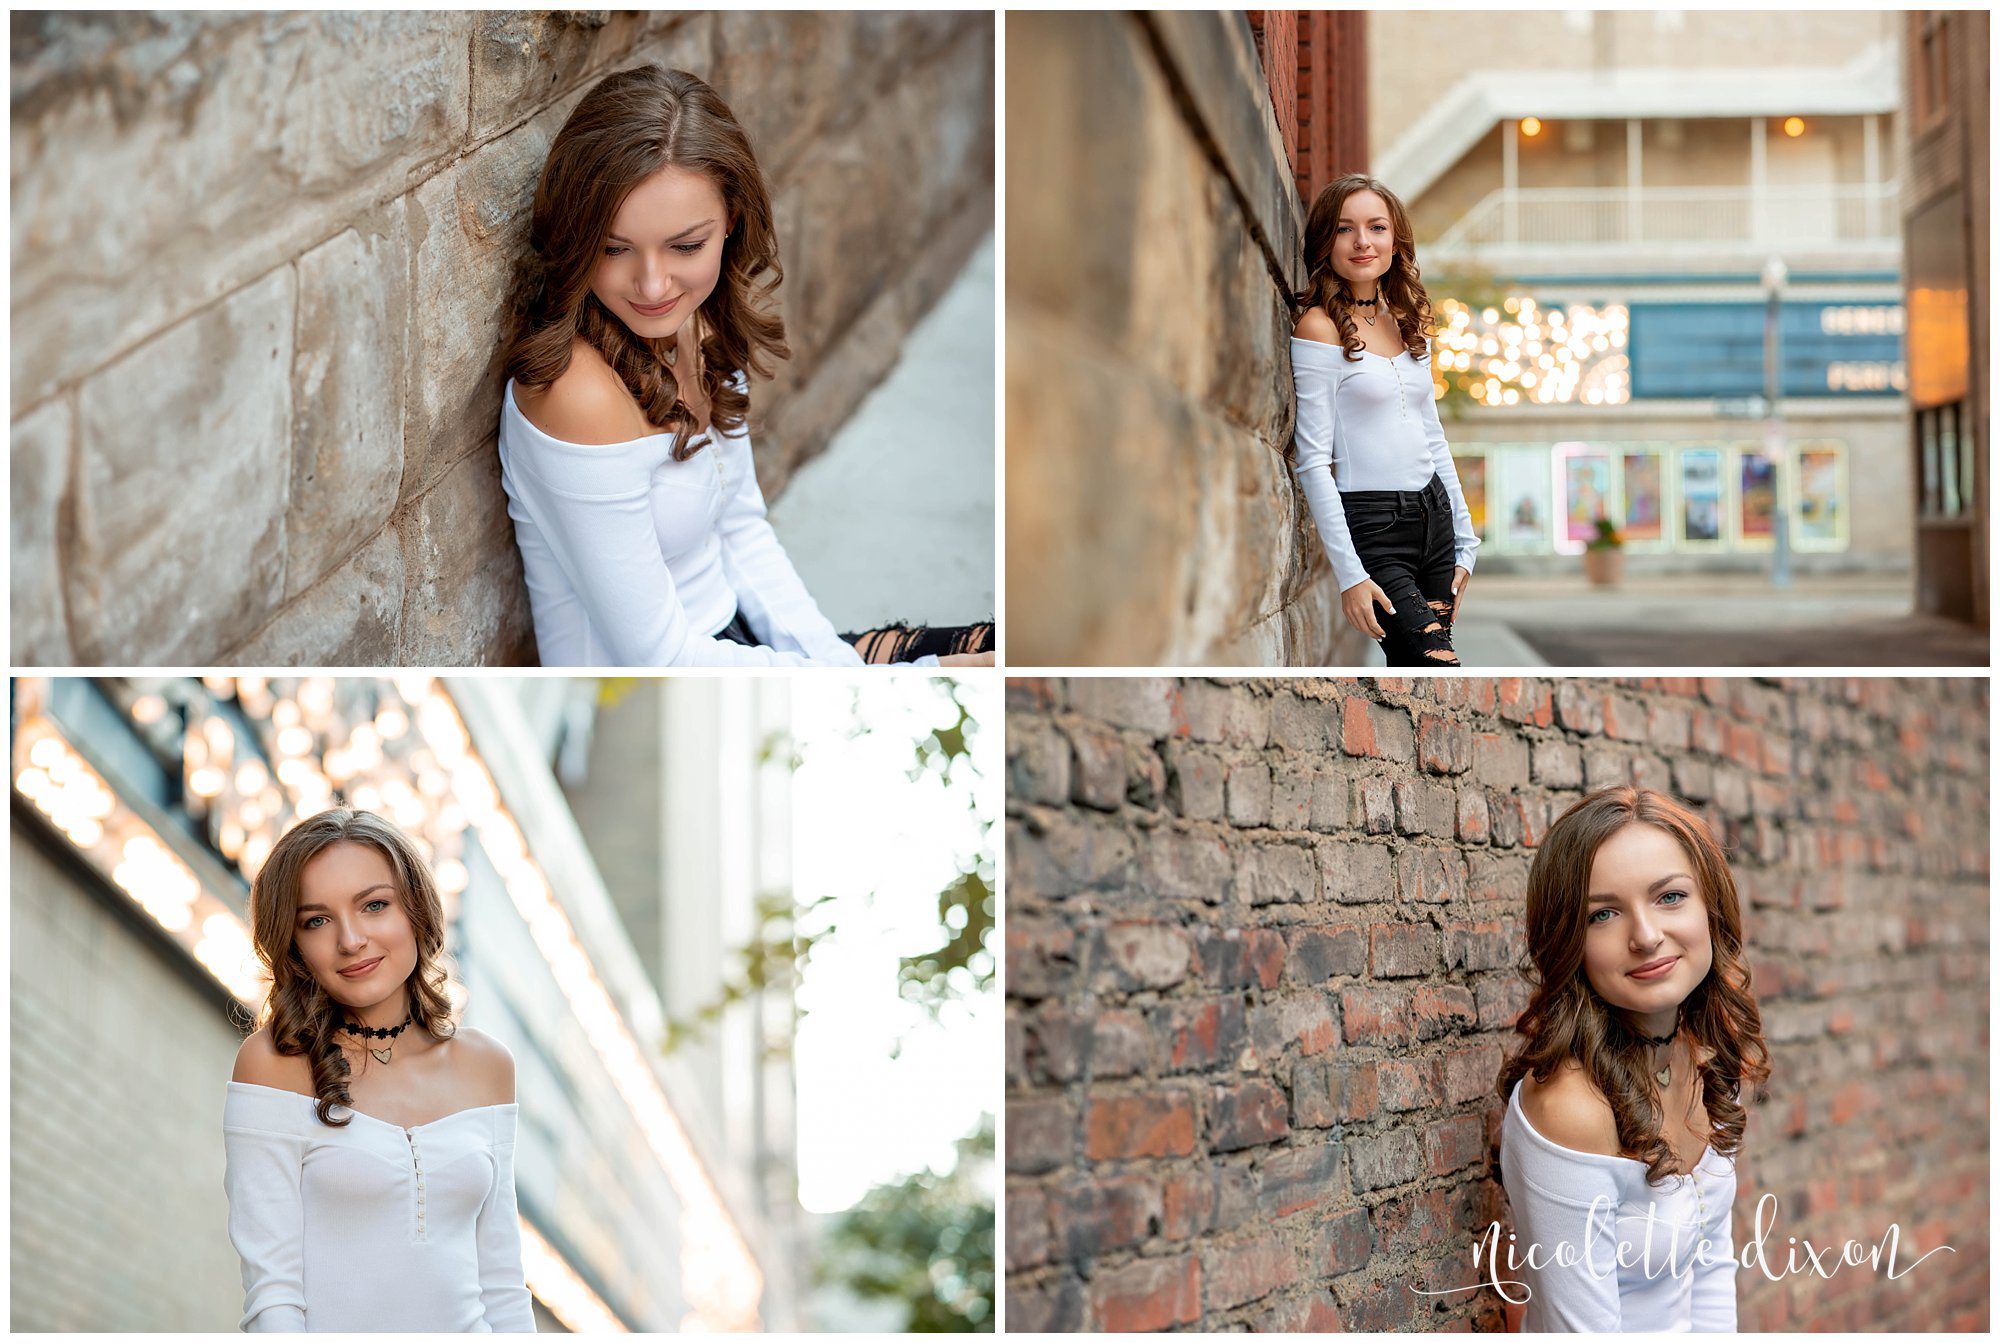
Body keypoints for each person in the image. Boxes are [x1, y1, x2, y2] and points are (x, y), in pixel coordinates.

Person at [496, 65, 992, 667]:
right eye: (613, 248)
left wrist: (832, 665)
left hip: (746, 652)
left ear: (730, 219)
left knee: (996, 648)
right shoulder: (575, 394)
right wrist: (886, 680)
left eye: (685, 246)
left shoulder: (695, 328)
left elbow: (742, 530)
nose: (652, 285)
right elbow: (662, 660)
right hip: (684, 678)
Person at [224, 809, 536, 1332]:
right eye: (316, 920)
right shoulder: (273, 1065)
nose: (351, 940)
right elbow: (272, 1294)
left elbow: (502, 1286)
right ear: (294, 944)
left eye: (374, 905)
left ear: (415, 910)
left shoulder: (487, 1065)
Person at [1495, 786, 1771, 1331]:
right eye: (1603, 914)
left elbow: (1711, 1271)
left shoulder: (1708, 1062)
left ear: (1711, 907)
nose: (1646, 936)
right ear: (1567, 939)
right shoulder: (1570, 1109)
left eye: (1669, 897)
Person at [1290, 173, 1480, 665]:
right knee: (1432, 660)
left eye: (1376, 227)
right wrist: (1350, 575)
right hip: (1374, 523)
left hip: (1433, 517)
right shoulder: (1319, 327)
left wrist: (1465, 538)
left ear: (1395, 241)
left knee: (1419, 675)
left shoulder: (1408, 320)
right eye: (1344, 229)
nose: (1361, 242)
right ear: (1324, 242)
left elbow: (1433, 437)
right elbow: (1312, 461)